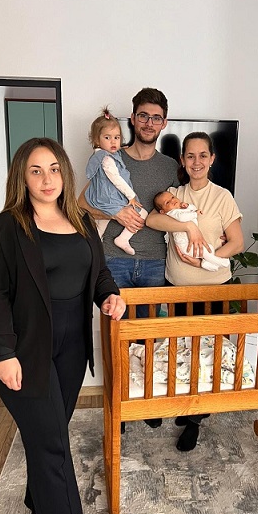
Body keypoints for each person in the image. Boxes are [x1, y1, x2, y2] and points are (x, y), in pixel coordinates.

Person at [0, 137, 126, 514]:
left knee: (51, 431)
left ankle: (39, 503)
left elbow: (99, 273)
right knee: (52, 442)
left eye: (54, 169)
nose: (47, 179)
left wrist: (110, 295)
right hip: (25, 348)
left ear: (65, 172)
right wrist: (4, 353)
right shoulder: (4, 228)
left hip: (72, 345)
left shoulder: (81, 220)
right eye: (36, 171)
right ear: (22, 178)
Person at [79, 88, 180, 429]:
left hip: (154, 261)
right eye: (143, 116)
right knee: (116, 336)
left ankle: (147, 400)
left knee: (149, 337)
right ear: (133, 119)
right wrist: (116, 213)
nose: (149, 123)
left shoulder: (170, 167)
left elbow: (176, 209)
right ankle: (120, 404)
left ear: (164, 123)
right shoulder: (110, 154)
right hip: (113, 260)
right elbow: (81, 204)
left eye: (156, 117)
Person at [147, 132, 244, 450]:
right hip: (177, 289)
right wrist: (188, 226)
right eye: (190, 155)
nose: (196, 161)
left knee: (208, 355)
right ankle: (181, 403)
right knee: (181, 352)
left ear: (212, 159)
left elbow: (237, 243)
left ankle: (195, 420)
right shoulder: (173, 194)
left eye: (203, 155)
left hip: (213, 289)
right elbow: (152, 221)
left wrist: (207, 258)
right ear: (182, 160)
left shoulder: (222, 197)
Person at [85, 106, 148, 255]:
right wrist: (131, 196)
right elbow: (117, 179)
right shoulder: (107, 159)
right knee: (142, 213)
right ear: (97, 140)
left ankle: (92, 246)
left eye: (117, 138)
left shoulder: (100, 155)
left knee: (101, 225)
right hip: (111, 197)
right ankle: (123, 239)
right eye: (107, 138)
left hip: (101, 197)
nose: (113, 142)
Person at [153, 191, 230, 272]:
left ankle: (208, 265)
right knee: (205, 252)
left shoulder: (181, 209)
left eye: (172, 197)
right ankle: (221, 263)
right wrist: (195, 214)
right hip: (185, 245)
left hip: (190, 243)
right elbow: (182, 218)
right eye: (167, 202)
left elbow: (193, 209)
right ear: (163, 211)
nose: (172, 201)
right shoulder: (172, 213)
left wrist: (188, 206)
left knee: (209, 248)